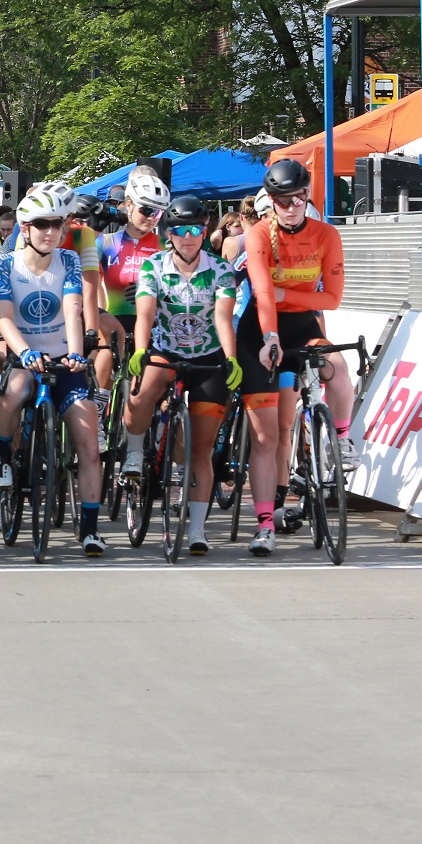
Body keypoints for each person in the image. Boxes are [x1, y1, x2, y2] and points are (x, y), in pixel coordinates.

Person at [236, 156, 349, 557]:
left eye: (297, 198)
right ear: (272, 200)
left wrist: (290, 296)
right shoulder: (258, 235)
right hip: (260, 330)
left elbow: (331, 300)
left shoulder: (326, 235)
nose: (290, 206)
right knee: (268, 437)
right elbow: (264, 293)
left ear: (306, 196)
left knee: (337, 367)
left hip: (302, 325)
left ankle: (340, 439)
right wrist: (269, 336)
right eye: (282, 200)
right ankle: (265, 522)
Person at [121, 193, 242, 557]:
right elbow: (144, 314)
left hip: (207, 357)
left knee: (200, 450)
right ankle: (134, 452)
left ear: (205, 232)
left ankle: (196, 528)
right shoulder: (153, 267)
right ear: (169, 234)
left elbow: (222, 317)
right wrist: (141, 349)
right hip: (166, 350)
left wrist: (232, 358)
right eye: (180, 230)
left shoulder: (221, 270)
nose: (188, 236)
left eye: (196, 230)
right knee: (142, 393)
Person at [0, 184, 102, 551]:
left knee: (89, 442)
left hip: (62, 358)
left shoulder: (68, 261)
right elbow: (5, 319)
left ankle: (88, 529)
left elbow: (72, 308)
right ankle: (3, 457)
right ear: (25, 228)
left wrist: (76, 352)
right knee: (13, 392)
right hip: (26, 355)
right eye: (41, 224)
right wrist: (23, 352)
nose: (50, 231)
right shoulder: (6, 264)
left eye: (56, 224)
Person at [92, 169, 166, 398]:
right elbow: (84, 280)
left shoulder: (166, 245)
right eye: (147, 209)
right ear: (129, 205)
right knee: (105, 348)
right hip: (115, 322)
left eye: (159, 212)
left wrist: (158, 291)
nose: (152, 217)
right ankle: (100, 406)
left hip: (154, 324)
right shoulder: (106, 242)